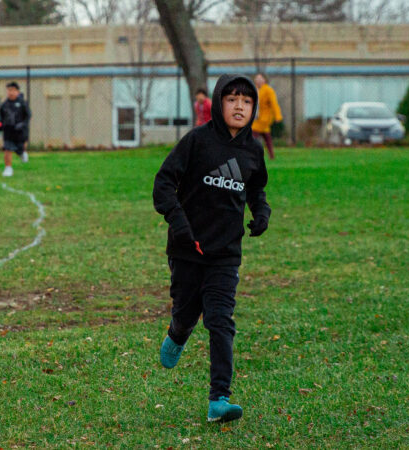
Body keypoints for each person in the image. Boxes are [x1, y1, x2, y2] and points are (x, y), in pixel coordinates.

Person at [153, 74, 271, 423]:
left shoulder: (253, 149)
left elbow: (256, 189)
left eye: (246, 101)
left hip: (225, 254)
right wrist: (180, 224)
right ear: (218, 103)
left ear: (253, 108)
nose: (239, 106)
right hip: (188, 249)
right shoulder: (197, 142)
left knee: (220, 321)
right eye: (232, 99)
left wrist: (261, 213)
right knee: (187, 312)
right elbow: (163, 185)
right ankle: (178, 332)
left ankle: (219, 398)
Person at [0, 81, 31, 177]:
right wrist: (0, 125)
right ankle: (8, 168)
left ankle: (22, 153)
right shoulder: (4, 105)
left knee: (19, 148)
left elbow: (28, 115)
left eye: (12, 90)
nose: (10, 92)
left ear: (17, 91)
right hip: (8, 131)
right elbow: (1, 118)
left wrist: (23, 124)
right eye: (9, 90)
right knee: (8, 148)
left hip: (20, 131)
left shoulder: (22, 103)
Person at [251, 73, 283, 160]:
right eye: (257, 78)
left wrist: (278, 116)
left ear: (264, 80)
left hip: (265, 118)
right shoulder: (254, 90)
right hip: (257, 118)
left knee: (254, 136)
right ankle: (270, 155)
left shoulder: (268, 90)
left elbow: (274, 104)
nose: (258, 80)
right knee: (267, 138)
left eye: (260, 78)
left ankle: (254, 155)